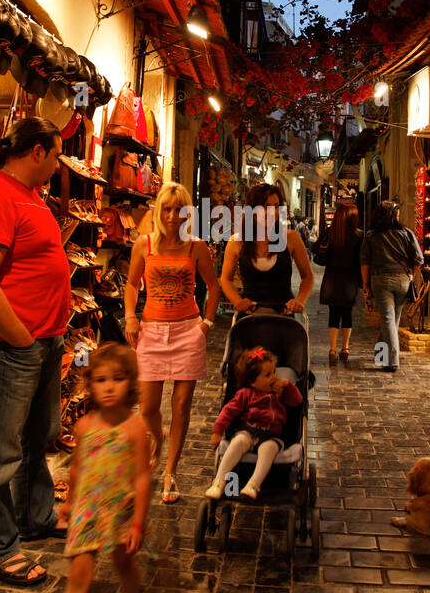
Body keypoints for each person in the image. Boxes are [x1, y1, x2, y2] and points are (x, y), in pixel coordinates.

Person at [0, 117, 68, 585]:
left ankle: (33, 517)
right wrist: (22, 340)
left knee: (33, 440)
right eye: (58, 153)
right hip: (8, 344)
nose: (60, 162)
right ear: (37, 151)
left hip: (40, 340)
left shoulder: (29, 195)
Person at [124, 182, 220, 504]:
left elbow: (213, 286)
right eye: (167, 209)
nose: (172, 216)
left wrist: (205, 325)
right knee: (148, 407)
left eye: (179, 210)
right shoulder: (144, 244)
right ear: (158, 211)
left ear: (187, 214)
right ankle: (158, 438)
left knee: (181, 405)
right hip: (151, 333)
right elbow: (133, 284)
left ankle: (170, 471)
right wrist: (130, 317)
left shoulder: (197, 247)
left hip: (187, 332)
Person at [60, 344, 151, 593]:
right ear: (90, 384)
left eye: (117, 378)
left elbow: (142, 476)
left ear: (131, 382)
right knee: (78, 578)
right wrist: (70, 503)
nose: (108, 386)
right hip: (87, 509)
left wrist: (138, 522)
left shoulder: (135, 428)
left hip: (121, 510)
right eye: (100, 380)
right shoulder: (84, 427)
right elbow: (77, 468)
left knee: (123, 562)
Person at [203, 347, 303, 502]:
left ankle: (253, 485)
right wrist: (217, 431)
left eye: (274, 372)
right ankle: (219, 481)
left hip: (271, 435)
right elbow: (228, 411)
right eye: (268, 375)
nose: (273, 377)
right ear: (252, 381)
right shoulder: (245, 394)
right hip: (248, 431)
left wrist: (288, 386)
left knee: (268, 448)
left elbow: (297, 401)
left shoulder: (280, 393)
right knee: (238, 441)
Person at [220, 182, 314, 316]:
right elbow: (226, 279)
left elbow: (308, 276)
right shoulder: (237, 242)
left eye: (276, 206)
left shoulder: (291, 238)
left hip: (283, 317)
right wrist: (237, 301)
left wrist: (300, 301)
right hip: (249, 317)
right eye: (266, 206)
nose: (272, 212)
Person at [360, 200, 422, 372]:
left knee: (388, 320)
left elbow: (364, 262)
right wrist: (410, 276)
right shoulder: (406, 233)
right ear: (393, 215)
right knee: (392, 320)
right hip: (403, 280)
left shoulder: (372, 236)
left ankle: (392, 361)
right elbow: (419, 259)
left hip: (381, 280)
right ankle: (381, 357)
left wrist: (365, 284)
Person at [314, 200, 363, 362]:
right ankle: (345, 348)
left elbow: (315, 248)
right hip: (350, 279)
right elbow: (362, 260)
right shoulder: (358, 235)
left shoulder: (331, 233)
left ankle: (332, 349)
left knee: (333, 314)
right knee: (347, 313)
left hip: (332, 278)